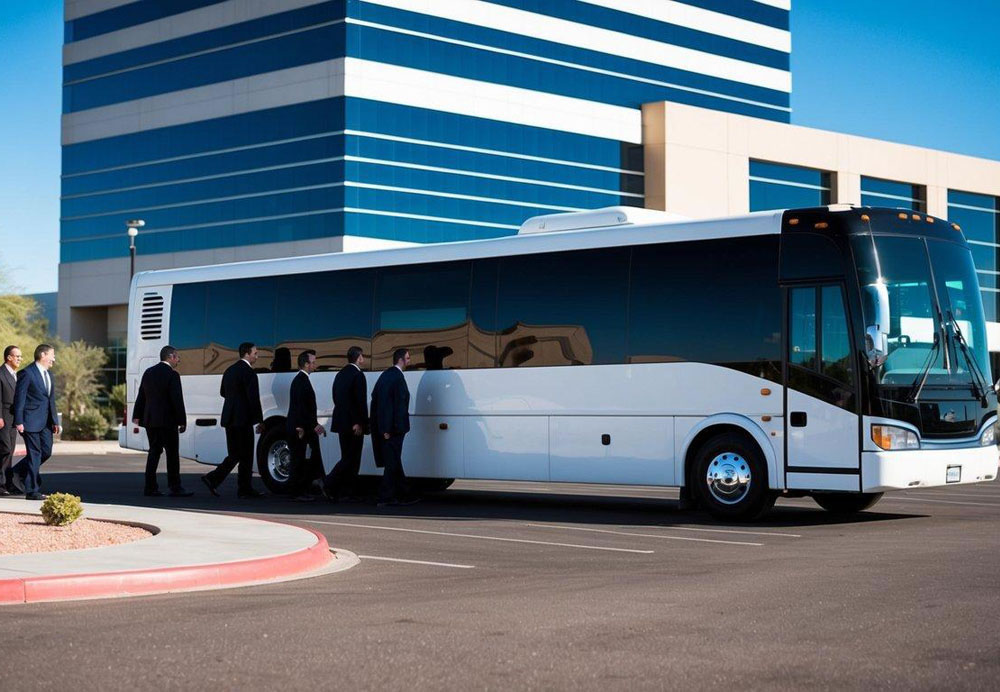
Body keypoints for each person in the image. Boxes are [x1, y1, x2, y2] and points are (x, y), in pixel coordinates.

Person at [202, 342, 265, 499]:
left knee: (235, 454)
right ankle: (243, 488)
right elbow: (253, 398)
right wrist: (259, 420)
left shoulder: (229, 370)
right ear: (247, 354)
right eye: (255, 353)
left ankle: (214, 479)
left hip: (229, 418)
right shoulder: (249, 373)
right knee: (246, 456)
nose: (257, 356)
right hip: (243, 420)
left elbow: (223, 392)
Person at [132, 345, 193, 497]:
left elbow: (141, 396)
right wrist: (182, 421)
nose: (178, 360)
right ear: (170, 357)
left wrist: (137, 416)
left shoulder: (148, 372)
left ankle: (150, 487)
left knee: (154, 452)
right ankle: (175, 487)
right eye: (177, 357)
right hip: (168, 422)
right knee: (172, 454)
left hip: (151, 421)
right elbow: (177, 400)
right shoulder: (172, 375)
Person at [370, 348, 418, 507]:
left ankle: (405, 494)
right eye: (408, 358)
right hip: (394, 429)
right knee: (392, 463)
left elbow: (376, 400)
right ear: (401, 360)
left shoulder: (385, 376)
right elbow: (391, 406)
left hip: (390, 428)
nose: (409, 361)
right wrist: (387, 429)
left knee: (394, 461)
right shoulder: (397, 378)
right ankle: (385, 497)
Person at [11, 344, 59, 501]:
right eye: (52, 355)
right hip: (29, 421)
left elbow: (50, 400)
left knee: (46, 452)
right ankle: (32, 490)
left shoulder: (49, 375)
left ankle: (15, 473)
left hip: (46, 423)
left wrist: (55, 421)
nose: (54, 358)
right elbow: (20, 398)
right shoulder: (27, 373)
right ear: (43, 355)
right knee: (35, 454)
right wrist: (18, 421)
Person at [324, 346, 368, 501]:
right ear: (359, 357)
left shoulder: (340, 374)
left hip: (341, 421)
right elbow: (359, 402)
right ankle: (330, 482)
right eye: (362, 356)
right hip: (353, 423)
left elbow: (337, 397)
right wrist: (359, 422)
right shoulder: (358, 375)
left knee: (346, 455)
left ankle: (344, 491)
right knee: (352, 458)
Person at [285, 350, 325, 502]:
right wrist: (301, 427)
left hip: (300, 426)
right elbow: (300, 407)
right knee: (298, 460)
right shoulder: (301, 381)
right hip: (299, 428)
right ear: (306, 364)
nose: (315, 365)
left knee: (302, 459)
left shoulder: (301, 380)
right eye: (313, 362)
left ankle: (301, 488)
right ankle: (296, 491)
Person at [0, 345, 23, 495]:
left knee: (11, 450)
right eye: (17, 356)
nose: (20, 359)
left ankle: (8, 483)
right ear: (9, 357)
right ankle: (1, 484)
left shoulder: (16, 375)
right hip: (3, 417)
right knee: (5, 449)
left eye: (20, 357)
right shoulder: (1, 374)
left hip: (13, 418)